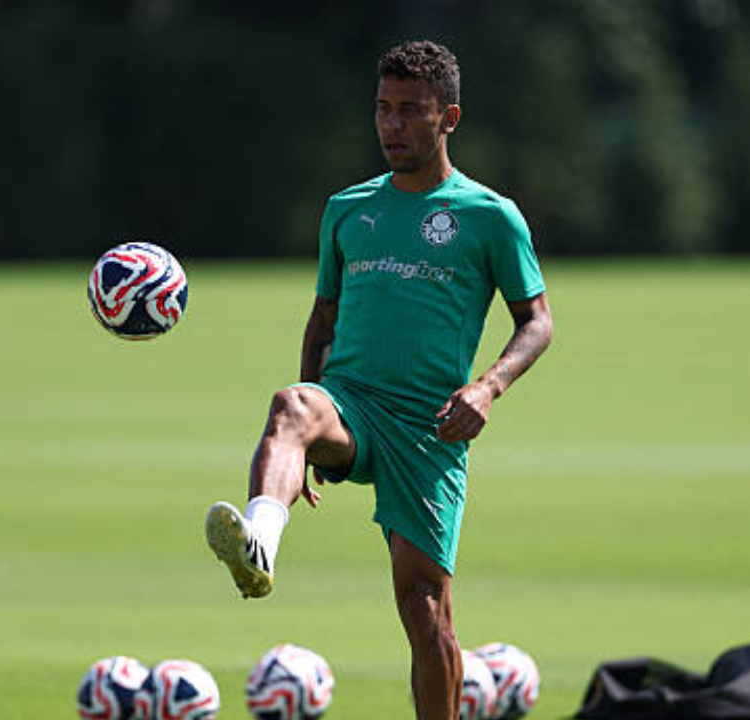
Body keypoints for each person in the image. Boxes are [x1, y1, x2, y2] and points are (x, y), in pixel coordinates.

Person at [205, 39, 553, 720]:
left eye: (410, 111)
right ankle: (260, 544)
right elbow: (322, 319)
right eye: (383, 109)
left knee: (425, 612)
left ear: (448, 116)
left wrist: (488, 388)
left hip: (429, 428)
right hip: (352, 406)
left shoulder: (489, 215)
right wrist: (302, 443)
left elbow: (537, 321)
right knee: (289, 404)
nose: (392, 125)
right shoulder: (347, 208)